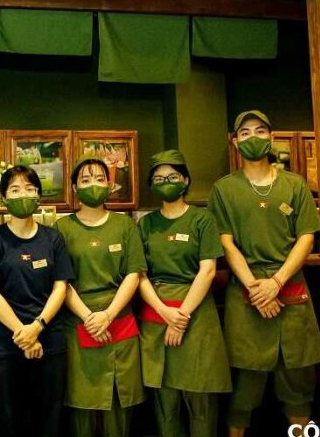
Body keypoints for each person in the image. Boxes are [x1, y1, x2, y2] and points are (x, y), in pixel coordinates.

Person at [207, 111, 320, 437]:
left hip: (290, 289)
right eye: (245, 133)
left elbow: (306, 238)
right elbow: (225, 242)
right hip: (246, 292)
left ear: (272, 138)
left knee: (299, 382)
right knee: (243, 387)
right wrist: (255, 288)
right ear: (235, 143)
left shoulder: (294, 184)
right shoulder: (224, 189)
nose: (253, 137)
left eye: (260, 131)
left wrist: (276, 282)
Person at [138, 149, 231, 437]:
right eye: (159, 178)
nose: (166, 182)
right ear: (151, 185)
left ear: (186, 180)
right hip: (157, 312)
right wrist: (164, 312)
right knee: (165, 401)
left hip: (196, 313)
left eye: (173, 176)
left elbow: (208, 271)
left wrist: (180, 318)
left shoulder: (203, 220)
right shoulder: (145, 224)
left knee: (201, 399)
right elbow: (139, 275)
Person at [0, 165, 74, 437]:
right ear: (3, 197)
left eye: (30, 189)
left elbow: (60, 287)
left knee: (51, 419)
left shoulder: (53, 238)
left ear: (39, 195)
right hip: (7, 344)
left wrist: (38, 326)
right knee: (9, 419)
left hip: (50, 339)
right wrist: (24, 334)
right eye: (15, 189)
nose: (23, 195)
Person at [54, 156, 146, 437]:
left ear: (109, 185)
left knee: (120, 403)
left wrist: (108, 315)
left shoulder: (125, 226)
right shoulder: (62, 228)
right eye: (85, 180)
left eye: (99, 179)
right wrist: (89, 318)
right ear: (74, 188)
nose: (93, 184)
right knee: (82, 404)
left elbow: (134, 274)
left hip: (119, 319)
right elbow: (61, 282)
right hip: (79, 321)